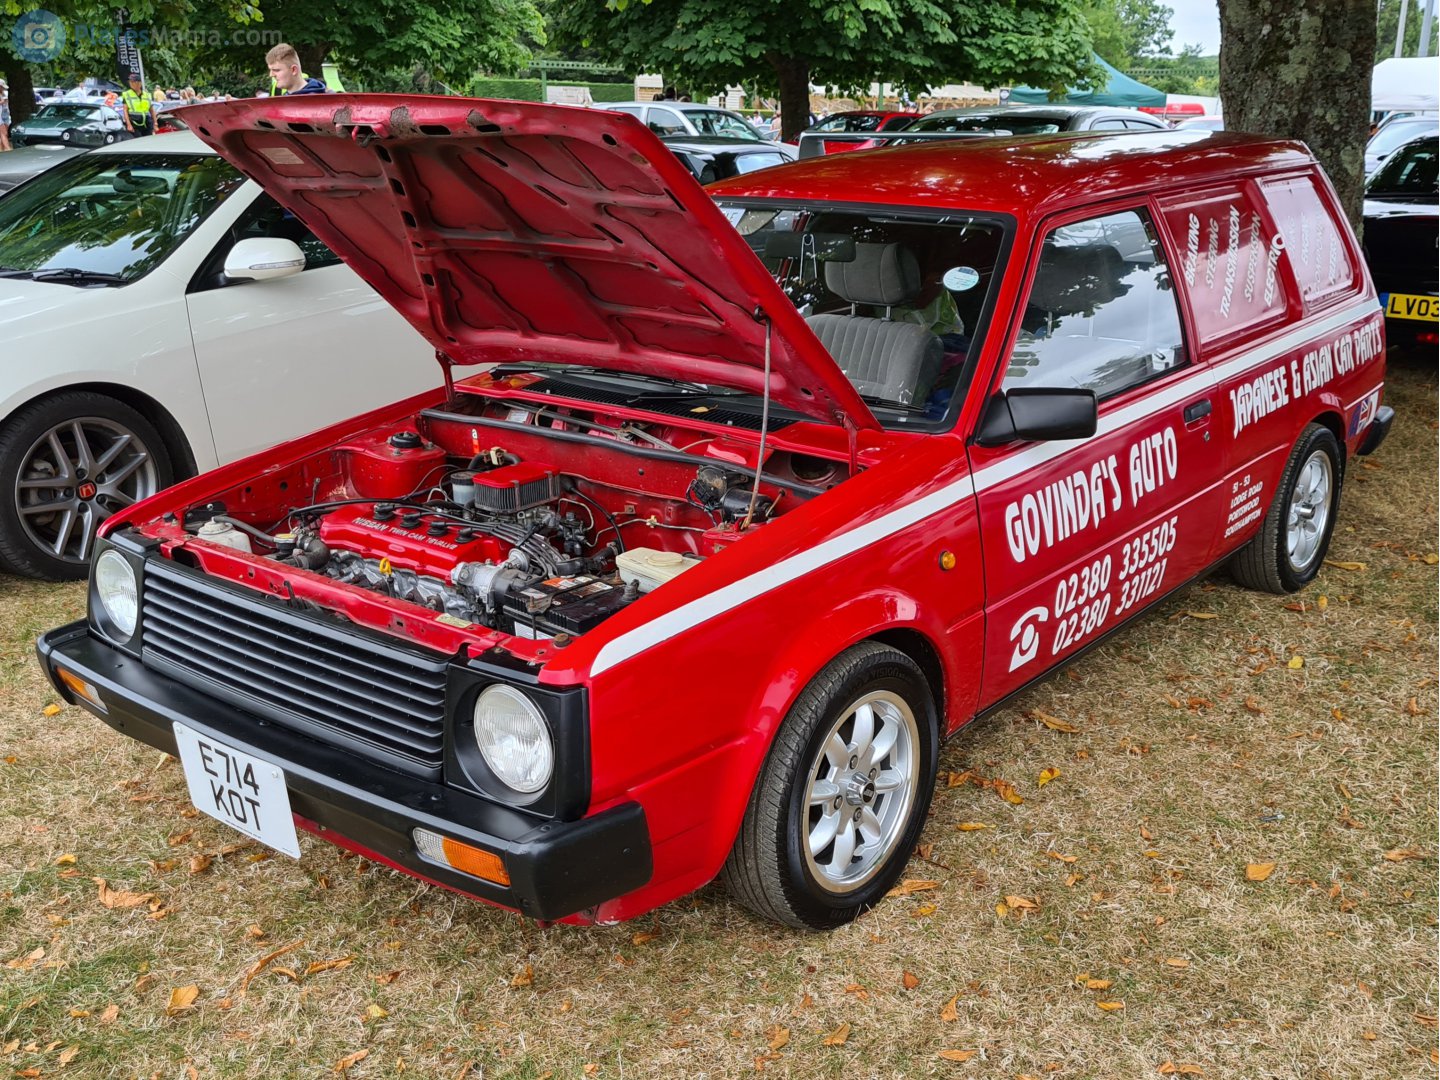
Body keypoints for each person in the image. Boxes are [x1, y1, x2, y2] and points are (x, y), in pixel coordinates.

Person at [121, 72, 153, 137]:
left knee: (149, 142)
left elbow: (152, 110)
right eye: (130, 82)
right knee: (138, 142)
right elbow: (125, 110)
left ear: (139, 83)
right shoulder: (127, 94)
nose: (131, 84)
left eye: (133, 82)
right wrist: (129, 125)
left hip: (147, 122)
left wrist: (155, 123)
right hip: (134, 122)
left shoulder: (146, 95)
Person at [0, 82, 10, 152]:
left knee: (4, 133)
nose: (3, 88)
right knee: (4, 133)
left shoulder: (4, 93)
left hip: (5, 114)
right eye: (2, 87)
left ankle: (2, 150)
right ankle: (8, 149)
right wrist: (2, 102)